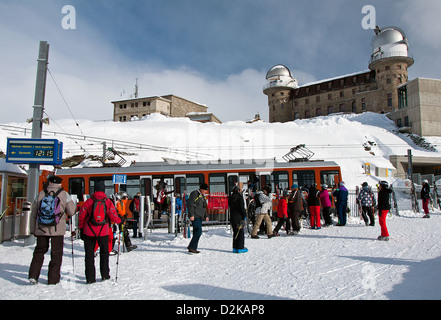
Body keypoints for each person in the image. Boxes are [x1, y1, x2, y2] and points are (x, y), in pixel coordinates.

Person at [28, 175, 76, 285]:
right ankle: (53, 279)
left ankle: (33, 276)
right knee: (56, 254)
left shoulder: (41, 193)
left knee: (39, 252)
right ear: (60, 183)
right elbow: (72, 211)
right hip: (57, 230)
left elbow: (34, 213)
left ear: (49, 182)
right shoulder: (64, 195)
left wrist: (32, 230)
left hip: (41, 229)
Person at [78, 181, 121, 284]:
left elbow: (82, 216)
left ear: (95, 190)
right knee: (104, 253)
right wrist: (120, 221)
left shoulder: (89, 201)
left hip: (89, 232)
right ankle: (105, 275)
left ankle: (90, 278)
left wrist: (81, 228)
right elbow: (113, 215)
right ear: (104, 190)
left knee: (89, 255)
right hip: (103, 232)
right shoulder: (107, 202)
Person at [187, 183, 209, 253]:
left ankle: (192, 247)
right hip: (195, 216)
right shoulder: (194, 194)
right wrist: (191, 215)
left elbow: (204, 207)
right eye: (205, 190)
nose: (206, 192)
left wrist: (206, 216)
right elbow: (190, 204)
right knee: (198, 231)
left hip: (199, 217)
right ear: (201, 189)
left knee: (197, 231)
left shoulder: (202, 196)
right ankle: (192, 247)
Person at [228, 186, 248, 253]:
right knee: (240, 233)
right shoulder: (239, 198)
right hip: (239, 217)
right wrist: (244, 215)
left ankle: (235, 247)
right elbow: (242, 208)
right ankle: (240, 248)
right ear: (238, 191)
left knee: (235, 232)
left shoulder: (230, 198)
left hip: (232, 217)